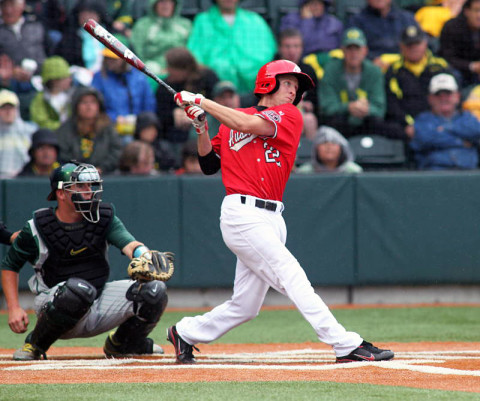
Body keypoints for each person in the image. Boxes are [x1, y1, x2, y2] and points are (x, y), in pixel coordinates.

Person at [167, 59, 394, 364]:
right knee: (291, 275)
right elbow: (209, 164)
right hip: (241, 214)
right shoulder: (235, 117)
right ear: (268, 83)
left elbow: (247, 125)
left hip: (273, 216)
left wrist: (201, 101)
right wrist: (201, 127)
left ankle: (185, 332)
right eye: (287, 83)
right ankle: (344, 343)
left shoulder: (289, 115)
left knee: (246, 306)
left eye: (296, 86)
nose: (293, 91)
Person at [1, 161, 170, 360]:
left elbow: (129, 244)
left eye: (90, 185)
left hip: (98, 297)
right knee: (78, 290)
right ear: (61, 193)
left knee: (154, 290)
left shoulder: (103, 217)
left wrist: (145, 255)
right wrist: (13, 307)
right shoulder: (37, 227)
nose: (89, 191)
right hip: (56, 303)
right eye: (80, 186)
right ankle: (35, 344)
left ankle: (124, 343)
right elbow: (10, 265)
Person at [320, 28, 403, 140]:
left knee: (385, 126)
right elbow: (326, 106)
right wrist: (349, 107)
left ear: (365, 51)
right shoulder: (331, 69)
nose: (353, 54)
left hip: (367, 122)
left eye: (357, 49)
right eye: (349, 49)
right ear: (342, 50)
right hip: (340, 122)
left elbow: (380, 108)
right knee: (332, 121)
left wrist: (366, 109)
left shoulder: (374, 71)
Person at [186, 0, 277, 95]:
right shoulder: (202, 21)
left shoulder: (255, 21)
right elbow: (195, 54)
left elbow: (266, 52)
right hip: (212, 93)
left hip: (252, 93)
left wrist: (244, 68)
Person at [384, 25, 452, 142]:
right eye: (409, 45)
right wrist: (408, 124)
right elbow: (392, 103)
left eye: (417, 43)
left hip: (439, 120)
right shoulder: (393, 71)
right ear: (401, 46)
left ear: (425, 43)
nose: (413, 48)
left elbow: (452, 96)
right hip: (406, 124)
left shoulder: (440, 66)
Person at [155, 47, 219, 163]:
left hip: (207, 130)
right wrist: (173, 115)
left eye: (171, 68)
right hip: (176, 136)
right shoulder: (165, 87)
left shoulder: (207, 78)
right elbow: (160, 114)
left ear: (184, 69)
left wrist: (197, 114)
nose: (167, 71)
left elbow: (218, 105)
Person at [410, 73, 480, 169]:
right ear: (430, 98)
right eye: (438, 95)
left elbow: (476, 132)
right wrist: (461, 142)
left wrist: (444, 128)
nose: (443, 98)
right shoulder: (423, 119)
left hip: (468, 173)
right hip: (435, 174)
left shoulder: (467, 117)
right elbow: (424, 139)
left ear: (457, 96)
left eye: (448, 94)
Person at [91, 48, 156, 143]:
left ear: (124, 59)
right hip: (110, 128)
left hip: (137, 129)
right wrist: (113, 117)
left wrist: (143, 123)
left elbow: (149, 104)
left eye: (114, 59)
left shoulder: (139, 77)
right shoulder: (99, 77)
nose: (109, 62)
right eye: (107, 58)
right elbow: (95, 104)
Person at [55, 87, 123, 174]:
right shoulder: (65, 130)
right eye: (84, 102)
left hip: (105, 175)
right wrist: (78, 171)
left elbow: (116, 152)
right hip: (72, 177)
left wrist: (102, 168)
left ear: (99, 106)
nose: (89, 106)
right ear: (76, 106)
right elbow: (62, 154)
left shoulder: (108, 128)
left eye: (93, 102)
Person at [347, 0, 418, 70]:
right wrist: (370, 61)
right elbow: (351, 49)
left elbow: (421, 45)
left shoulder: (407, 19)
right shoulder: (356, 21)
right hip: (370, 70)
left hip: (405, 69)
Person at [130, 0, 192, 80]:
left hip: (180, 66)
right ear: (154, 5)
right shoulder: (142, 25)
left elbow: (192, 49)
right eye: (162, 2)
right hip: (153, 67)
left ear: (175, 4)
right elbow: (136, 52)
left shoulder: (186, 25)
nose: (166, 5)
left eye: (170, 2)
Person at [276, 28, 319, 138]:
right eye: (287, 46)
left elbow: (316, 101)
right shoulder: (270, 70)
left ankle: (309, 154)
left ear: (302, 48)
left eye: (296, 46)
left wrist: (309, 105)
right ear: (279, 48)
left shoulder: (308, 71)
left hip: (302, 115)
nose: (292, 51)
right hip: (276, 114)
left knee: (309, 120)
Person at [54, 0, 108, 72]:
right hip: (81, 74)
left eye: (91, 13)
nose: (86, 17)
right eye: (83, 14)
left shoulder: (109, 34)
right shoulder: (71, 37)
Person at [279, 0, 344, 56]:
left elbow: (340, 48)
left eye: (319, 3)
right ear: (304, 5)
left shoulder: (334, 23)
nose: (316, 7)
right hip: (302, 63)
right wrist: (307, 21)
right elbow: (300, 47)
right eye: (312, 3)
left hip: (328, 63)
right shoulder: (291, 20)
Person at [439, 0, 480, 86]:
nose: (479, 15)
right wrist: (472, 66)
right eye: (476, 10)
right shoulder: (452, 27)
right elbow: (447, 58)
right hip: (458, 70)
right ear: (467, 11)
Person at [29, 56, 74, 131]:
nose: (69, 80)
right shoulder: (40, 99)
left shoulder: (72, 96)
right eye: (65, 77)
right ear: (54, 80)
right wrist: (62, 128)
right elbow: (40, 122)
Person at [0, 89, 37, 178]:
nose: (8, 112)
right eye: (4, 108)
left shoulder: (31, 131)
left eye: (11, 107)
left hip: (24, 179)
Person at [296, 125, 363, 173]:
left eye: (334, 143)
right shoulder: (304, 172)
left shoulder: (353, 171)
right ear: (316, 149)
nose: (329, 147)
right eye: (324, 143)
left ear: (342, 149)